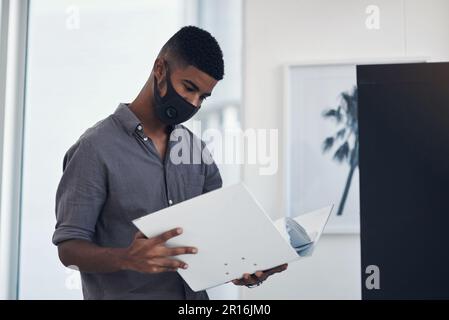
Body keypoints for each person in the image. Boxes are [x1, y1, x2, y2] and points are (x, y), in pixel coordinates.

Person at [53, 26, 287, 300]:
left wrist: (247, 266)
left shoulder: (198, 152)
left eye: (203, 96)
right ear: (160, 69)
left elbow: (218, 241)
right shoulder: (94, 148)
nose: (194, 102)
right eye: (189, 88)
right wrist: (126, 258)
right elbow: (68, 249)